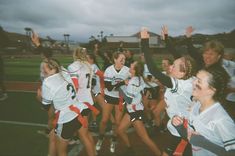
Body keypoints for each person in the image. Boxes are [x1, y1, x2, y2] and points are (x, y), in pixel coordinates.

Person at [141, 27, 197, 156]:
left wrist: (144, 42)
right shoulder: (188, 77)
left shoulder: (178, 84)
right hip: (184, 127)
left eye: (173, 66)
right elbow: (180, 59)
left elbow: (153, 69)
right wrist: (166, 39)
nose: (170, 67)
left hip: (182, 131)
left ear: (182, 72)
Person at [172, 66, 235, 156]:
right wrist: (179, 126)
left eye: (199, 81)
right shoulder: (195, 106)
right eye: (195, 79)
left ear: (211, 90)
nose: (193, 82)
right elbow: (191, 138)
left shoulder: (221, 119)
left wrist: (204, 143)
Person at [41, 58, 95, 156]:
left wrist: (40, 96)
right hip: (80, 110)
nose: (42, 71)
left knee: (61, 151)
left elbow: (46, 106)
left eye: (44, 69)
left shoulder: (48, 82)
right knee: (85, 137)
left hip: (66, 118)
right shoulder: (65, 71)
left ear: (49, 69)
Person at [117, 61, 162, 156]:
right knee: (120, 130)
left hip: (135, 112)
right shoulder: (138, 78)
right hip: (132, 110)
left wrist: (120, 89)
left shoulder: (133, 81)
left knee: (145, 138)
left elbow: (128, 100)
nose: (130, 65)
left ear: (134, 70)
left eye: (132, 66)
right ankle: (130, 149)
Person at [96, 52, 130, 153]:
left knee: (117, 122)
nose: (124, 61)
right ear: (115, 59)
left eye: (124, 59)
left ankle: (114, 139)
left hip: (120, 98)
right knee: (104, 120)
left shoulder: (127, 70)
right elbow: (109, 88)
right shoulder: (109, 70)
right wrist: (123, 82)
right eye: (121, 59)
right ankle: (101, 137)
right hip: (110, 97)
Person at [67, 47, 99, 155]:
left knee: (83, 135)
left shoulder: (73, 67)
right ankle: (94, 152)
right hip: (88, 101)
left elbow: (75, 86)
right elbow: (99, 75)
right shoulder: (88, 65)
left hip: (79, 103)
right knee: (86, 132)